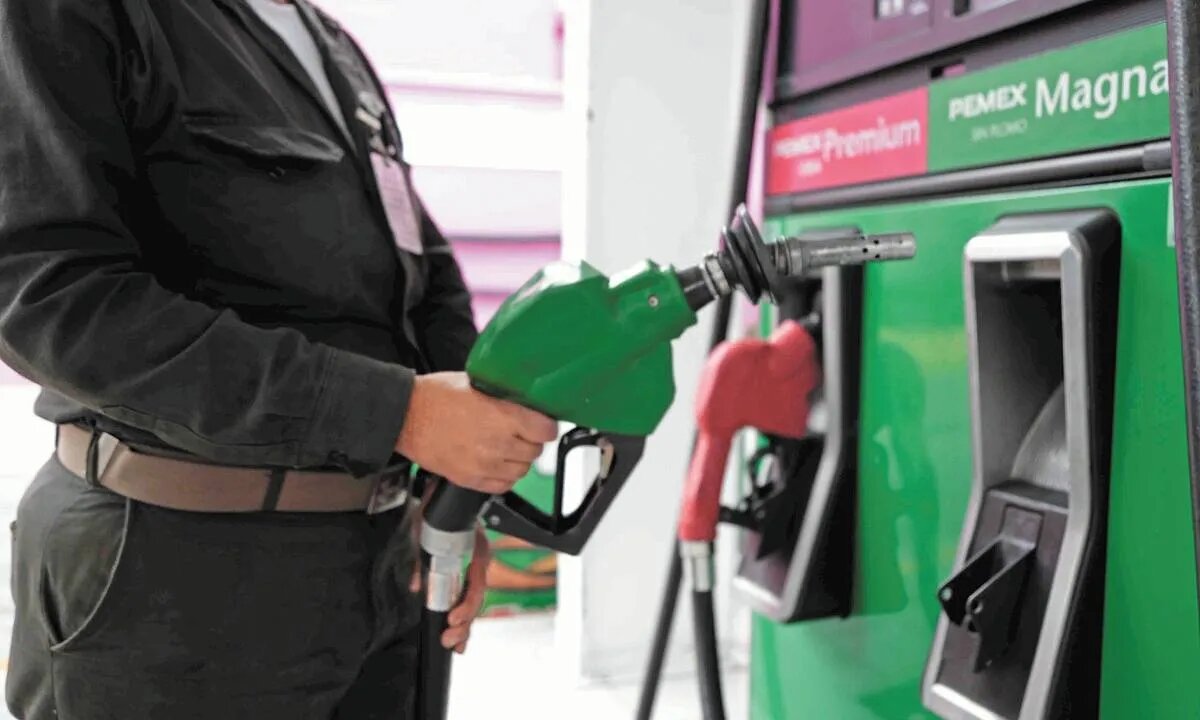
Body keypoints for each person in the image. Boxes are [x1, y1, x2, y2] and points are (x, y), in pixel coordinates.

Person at [0, 0, 558, 717]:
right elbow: (50, 297)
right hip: (172, 578)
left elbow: (419, 268)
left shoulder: (328, 43)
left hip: (381, 566)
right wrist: (398, 413)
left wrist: (449, 497)